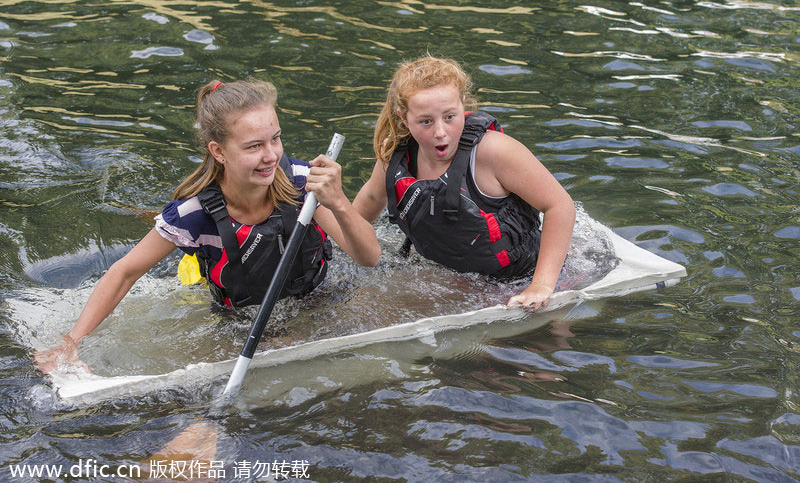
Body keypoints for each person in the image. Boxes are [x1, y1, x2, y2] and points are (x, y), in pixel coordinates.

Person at [35, 79, 381, 373]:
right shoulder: (192, 215)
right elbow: (124, 272)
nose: (271, 156)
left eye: (275, 139)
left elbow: (370, 257)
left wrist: (338, 201)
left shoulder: (304, 186)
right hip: (237, 321)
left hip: (318, 301)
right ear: (219, 151)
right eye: (254, 146)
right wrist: (71, 343)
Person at [353, 56, 574, 309]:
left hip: (521, 278)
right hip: (454, 277)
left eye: (450, 116)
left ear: (463, 104)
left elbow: (560, 205)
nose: (440, 132)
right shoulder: (395, 154)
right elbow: (370, 200)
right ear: (404, 118)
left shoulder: (494, 151)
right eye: (426, 121)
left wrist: (541, 285)